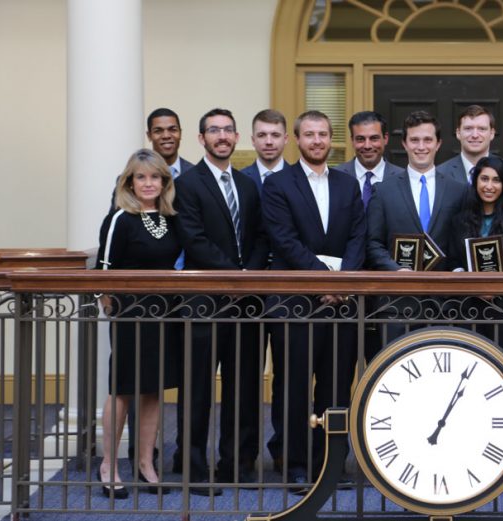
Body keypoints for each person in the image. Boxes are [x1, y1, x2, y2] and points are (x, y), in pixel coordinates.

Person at [261, 110, 366, 488]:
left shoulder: (346, 184)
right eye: (309, 134)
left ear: (331, 139)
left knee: (337, 385)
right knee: (293, 385)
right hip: (295, 301)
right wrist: (323, 280)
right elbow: (284, 240)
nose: (317, 141)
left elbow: (357, 236)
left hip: (341, 303)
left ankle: (331, 463)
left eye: (323, 134)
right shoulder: (277, 184)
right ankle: (294, 463)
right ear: (296, 139)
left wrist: (343, 282)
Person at [173, 108, 269, 495]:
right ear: (202, 139)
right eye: (214, 130)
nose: (223, 136)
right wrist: (233, 275)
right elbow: (193, 239)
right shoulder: (188, 184)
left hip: (246, 301)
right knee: (196, 387)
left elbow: (262, 236)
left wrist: (250, 276)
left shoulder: (246, 184)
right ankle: (192, 464)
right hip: (205, 299)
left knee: (243, 386)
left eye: (229, 130)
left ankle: (237, 463)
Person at [95, 149, 181, 498]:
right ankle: (109, 465)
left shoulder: (170, 218)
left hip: (166, 313)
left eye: (155, 177)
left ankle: (146, 464)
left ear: (164, 182)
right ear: (130, 182)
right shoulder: (120, 218)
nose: (148, 183)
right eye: (141, 177)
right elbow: (104, 271)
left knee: (153, 389)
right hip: (131, 314)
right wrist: (111, 305)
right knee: (123, 389)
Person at [365, 111, 468, 343]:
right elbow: (372, 243)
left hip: (446, 306)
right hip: (397, 305)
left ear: (438, 143)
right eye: (414, 140)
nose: (421, 147)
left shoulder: (458, 190)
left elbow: (462, 245)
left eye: (427, 140)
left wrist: (458, 274)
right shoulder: (383, 190)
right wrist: (395, 271)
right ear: (404, 143)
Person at [446, 155, 503, 359]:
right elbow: (452, 262)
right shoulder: (459, 221)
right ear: (475, 181)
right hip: (467, 310)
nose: (489, 186)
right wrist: (472, 284)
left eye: (496, 180)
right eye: (484, 179)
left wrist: (497, 286)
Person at [339, 111, 407, 360]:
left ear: (386, 138)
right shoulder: (335, 176)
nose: (367, 146)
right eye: (360, 139)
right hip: (345, 287)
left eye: (374, 138)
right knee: (340, 366)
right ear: (352, 140)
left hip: (390, 291)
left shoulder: (403, 179)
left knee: (389, 363)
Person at [437, 104, 503, 198]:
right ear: (458, 133)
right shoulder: (440, 174)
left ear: (492, 133)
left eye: (482, 129)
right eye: (468, 128)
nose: (475, 135)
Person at [241, 109, 290, 193]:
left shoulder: (301, 179)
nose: (269, 142)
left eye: (275, 135)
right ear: (253, 140)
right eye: (262, 135)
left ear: (285, 139)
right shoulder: (240, 179)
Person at [146, 108, 194, 179]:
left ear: (180, 133)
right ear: (149, 136)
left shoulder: (195, 173)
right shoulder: (138, 174)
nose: (166, 136)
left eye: (172, 130)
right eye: (158, 131)